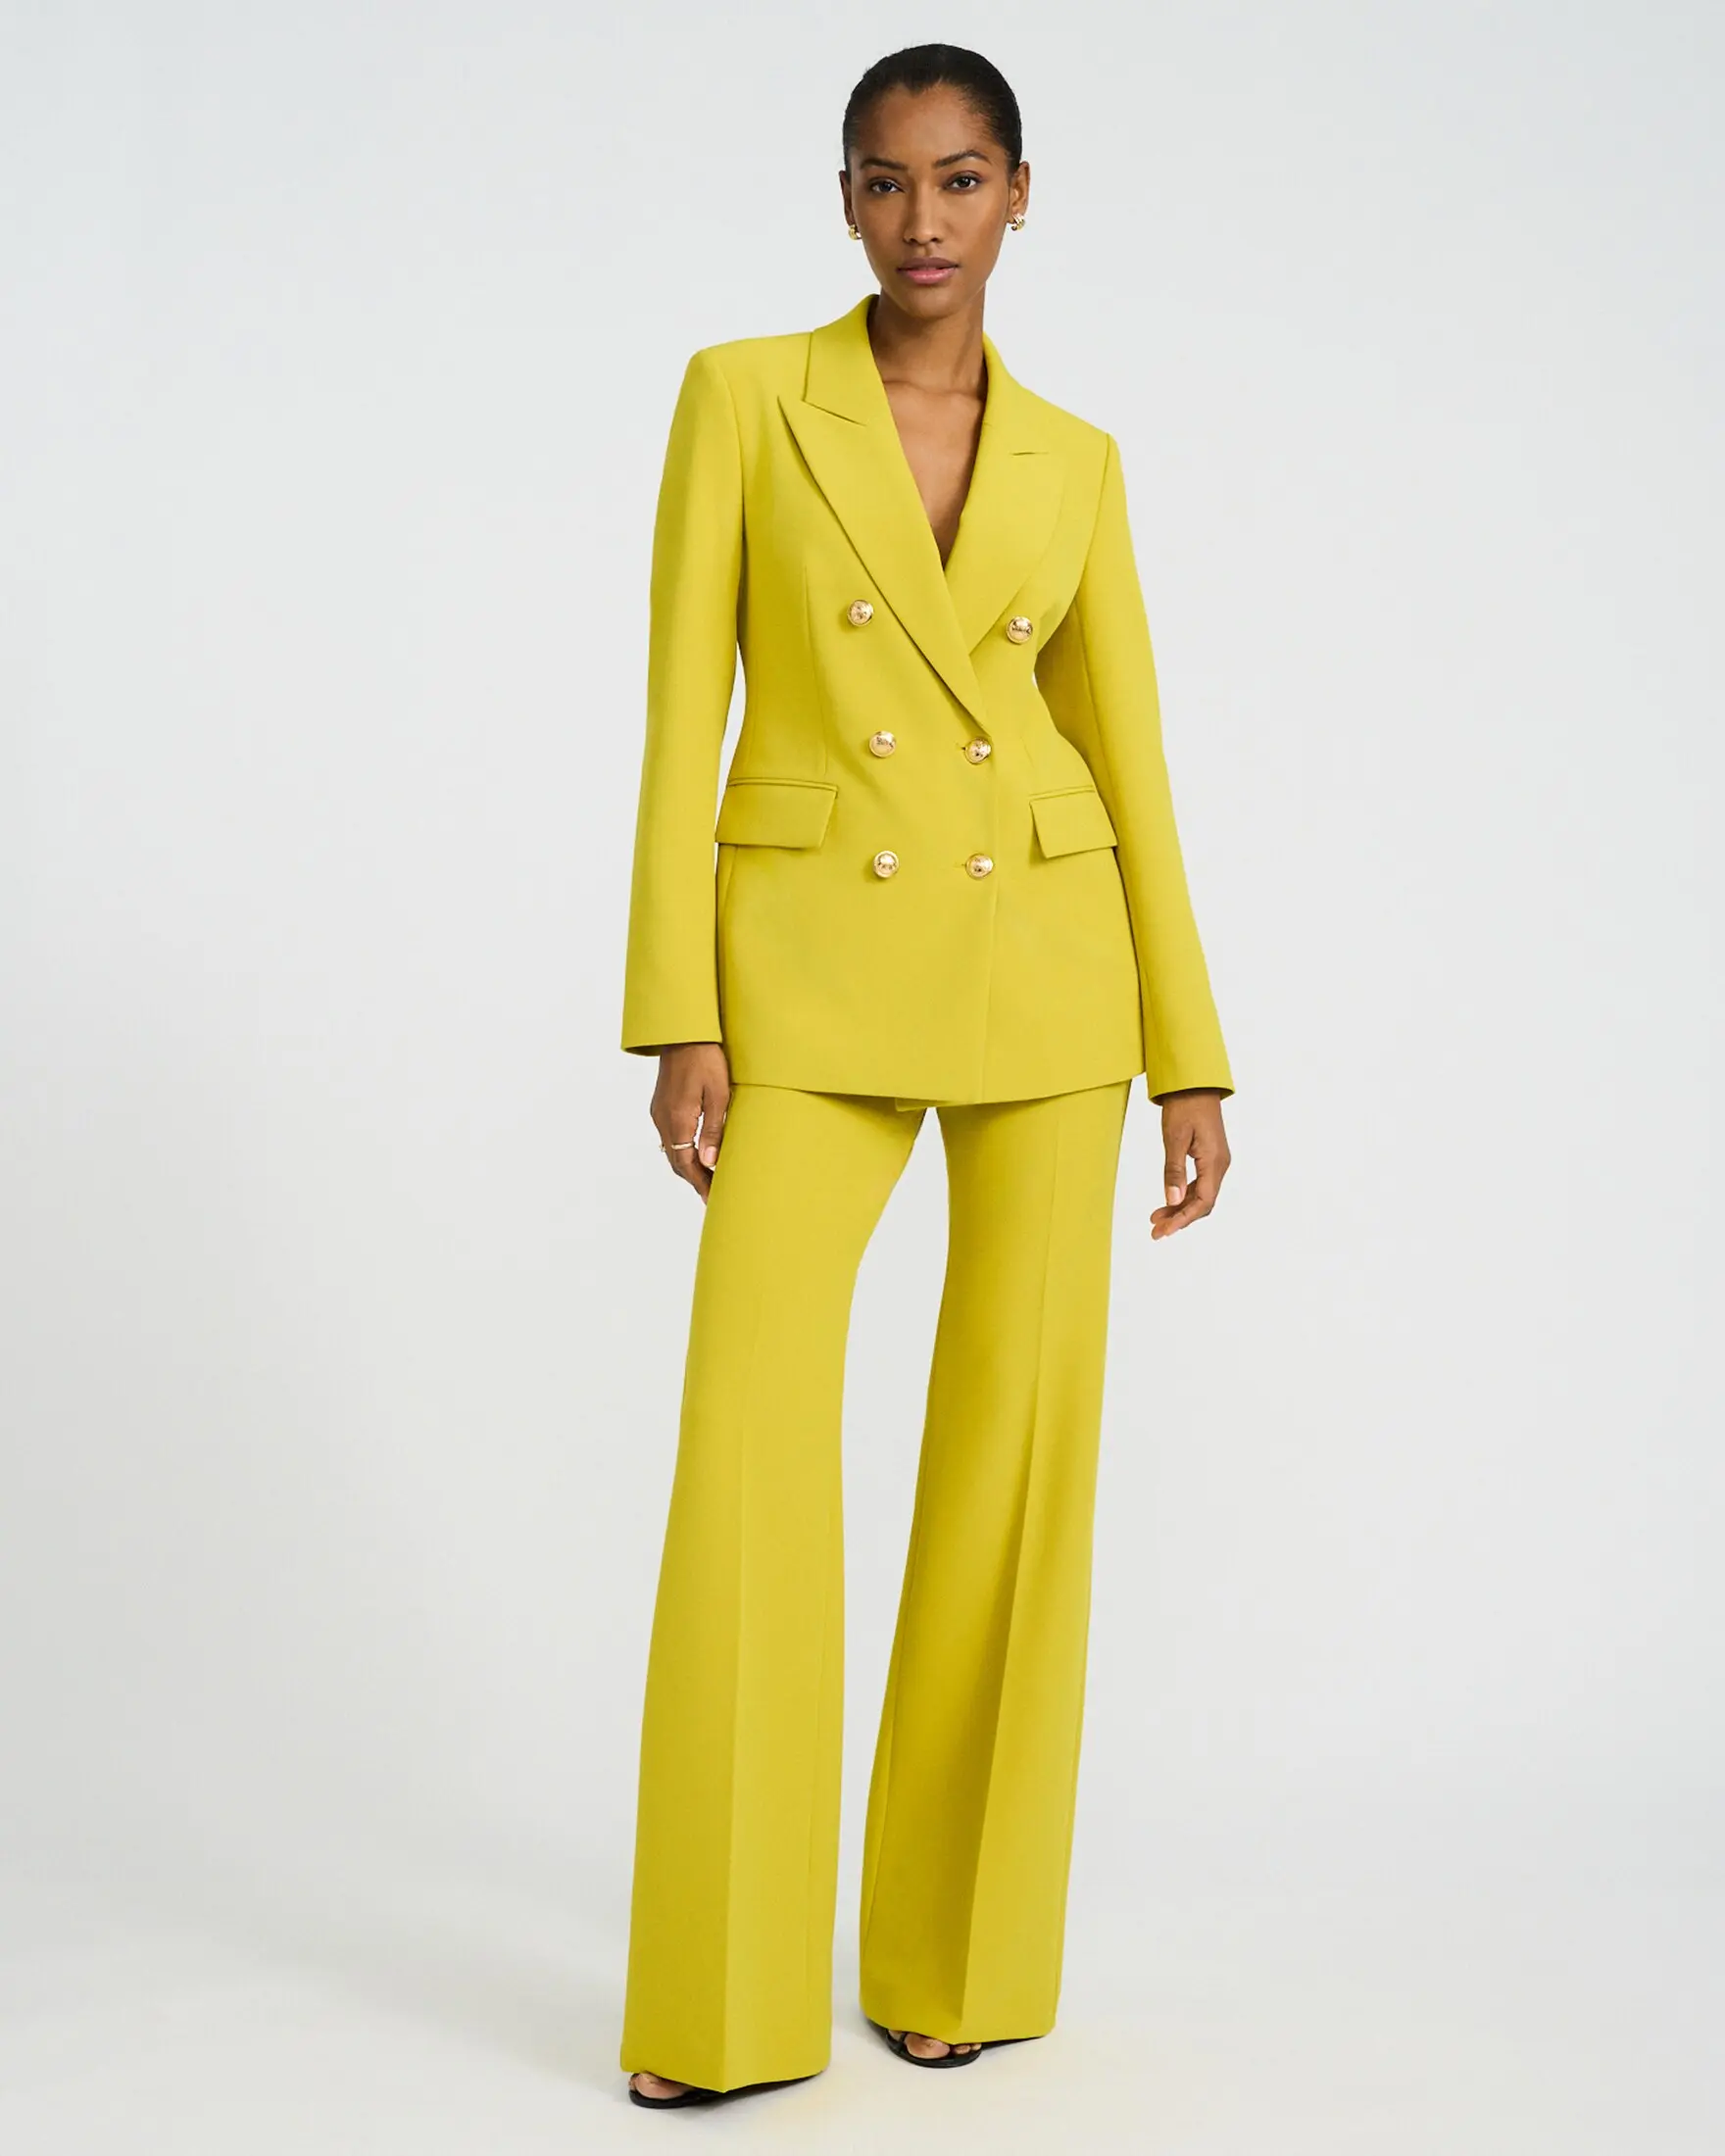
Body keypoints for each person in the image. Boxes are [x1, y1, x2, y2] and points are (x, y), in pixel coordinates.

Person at [616, 41, 1234, 2112]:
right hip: (805, 972)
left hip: (1050, 979)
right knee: (747, 1448)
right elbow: (677, 716)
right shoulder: (743, 398)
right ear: (844, 201)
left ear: (1019, 195)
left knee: (1017, 1464)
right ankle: (717, 2005)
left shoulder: (1076, 458)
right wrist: (680, 1005)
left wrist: (1187, 1048)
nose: (923, 220)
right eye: (885, 181)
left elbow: (1128, 756)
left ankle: (954, 1956)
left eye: (961, 180)